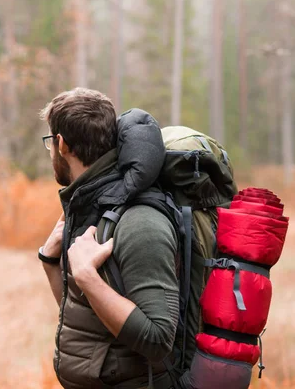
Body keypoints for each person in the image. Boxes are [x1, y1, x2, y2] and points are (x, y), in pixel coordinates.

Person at [38, 88, 179, 388]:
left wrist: (87, 276)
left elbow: (158, 338)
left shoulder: (140, 221)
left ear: (61, 144)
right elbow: (85, 313)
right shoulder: (91, 207)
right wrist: (51, 262)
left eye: (49, 142)